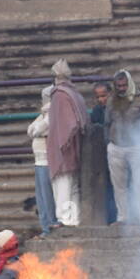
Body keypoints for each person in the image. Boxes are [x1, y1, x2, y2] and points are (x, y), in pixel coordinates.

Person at [106, 69, 140, 223]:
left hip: (137, 147)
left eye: (124, 85)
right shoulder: (111, 100)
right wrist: (109, 142)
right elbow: (107, 123)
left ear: (129, 84)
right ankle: (123, 217)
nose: (121, 88)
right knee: (119, 186)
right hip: (116, 148)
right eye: (118, 86)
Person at [47, 59, 89, 227]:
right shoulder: (75, 93)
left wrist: (63, 144)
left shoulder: (60, 95)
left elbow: (68, 124)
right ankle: (75, 220)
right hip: (76, 147)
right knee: (73, 188)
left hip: (64, 149)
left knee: (63, 187)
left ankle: (65, 220)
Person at [27, 88, 58, 236]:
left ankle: (50, 225)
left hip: (47, 161)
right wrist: (36, 131)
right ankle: (45, 227)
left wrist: (37, 132)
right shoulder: (43, 114)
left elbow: (38, 130)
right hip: (38, 161)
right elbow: (30, 130)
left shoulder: (53, 113)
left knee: (48, 197)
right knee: (41, 198)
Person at [88, 81, 118, 222]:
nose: (101, 100)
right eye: (98, 97)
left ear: (110, 94)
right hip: (104, 156)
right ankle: (112, 219)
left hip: (120, 152)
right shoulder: (96, 112)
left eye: (104, 96)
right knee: (109, 188)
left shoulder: (118, 108)